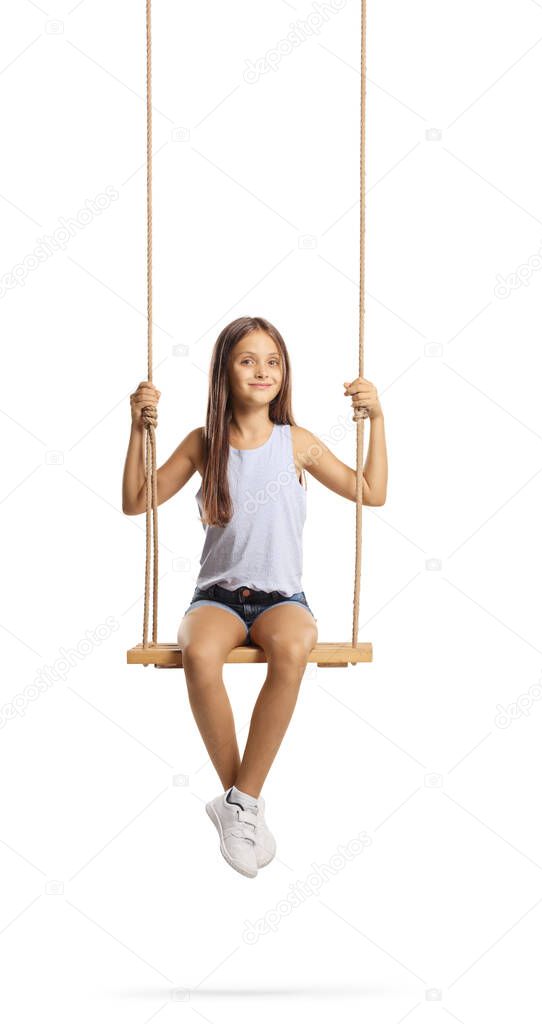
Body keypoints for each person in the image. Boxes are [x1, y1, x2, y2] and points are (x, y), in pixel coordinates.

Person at [122, 315, 387, 878]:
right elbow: (137, 500)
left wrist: (377, 418)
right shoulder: (203, 442)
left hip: (281, 600)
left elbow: (372, 492)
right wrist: (136, 429)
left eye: (272, 360)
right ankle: (242, 804)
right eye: (247, 360)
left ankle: (239, 803)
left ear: (284, 373)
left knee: (294, 647)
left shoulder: (300, 444)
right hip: (215, 599)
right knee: (199, 653)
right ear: (224, 371)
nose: (262, 370)